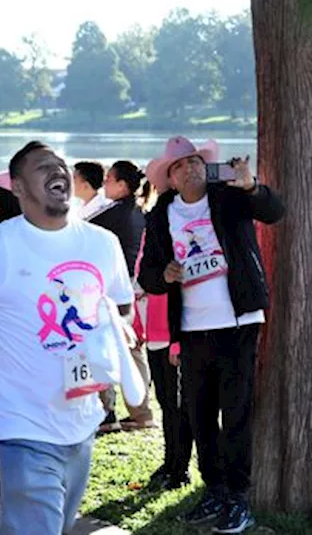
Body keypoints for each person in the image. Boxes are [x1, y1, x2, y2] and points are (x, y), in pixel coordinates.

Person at [0, 142, 136, 535]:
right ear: (20, 189)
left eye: (60, 165)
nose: (57, 171)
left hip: (81, 415)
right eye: (43, 167)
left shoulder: (101, 243)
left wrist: (114, 350)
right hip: (18, 418)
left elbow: (121, 307)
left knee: (49, 523)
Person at [138, 137, 284, 533]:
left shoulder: (229, 197)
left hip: (237, 322)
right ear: (169, 177)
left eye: (194, 161)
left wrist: (252, 185)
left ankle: (239, 498)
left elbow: (275, 211)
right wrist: (164, 275)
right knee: (199, 413)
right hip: (191, 328)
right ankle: (214, 490)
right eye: (179, 166)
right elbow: (147, 275)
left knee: (235, 412)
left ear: (205, 166)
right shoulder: (160, 215)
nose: (189, 169)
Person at [90, 161, 155, 433]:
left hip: (112, 291)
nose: (104, 184)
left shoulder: (110, 213)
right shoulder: (144, 211)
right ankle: (143, 413)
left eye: (108, 179)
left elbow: (80, 231)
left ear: (121, 185)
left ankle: (105, 412)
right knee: (134, 350)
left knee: (101, 347)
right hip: (137, 290)